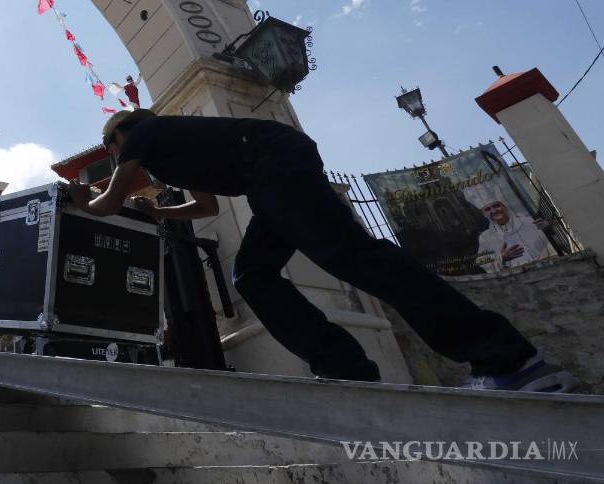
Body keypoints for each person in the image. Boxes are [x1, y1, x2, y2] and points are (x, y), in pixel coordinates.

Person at [65, 109, 578, 393]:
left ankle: (509, 357)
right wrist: (160, 211)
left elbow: (112, 195)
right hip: (269, 179)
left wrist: (83, 201)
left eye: (112, 151)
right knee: (252, 275)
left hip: (275, 167)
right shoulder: (169, 153)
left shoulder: (145, 133)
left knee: (354, 256)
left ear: (117, 140)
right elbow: (203, 206)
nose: (115, 158)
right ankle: (346, 368)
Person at [464, 184, 554, 272]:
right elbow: (481, 262)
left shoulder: (528, 222)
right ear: (484, 214)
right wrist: (502, 257)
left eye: (496, 206)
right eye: (487, 209)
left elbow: (548, 244)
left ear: (505, 207)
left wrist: (547, 227)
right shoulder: (485, 237)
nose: (493, 211)